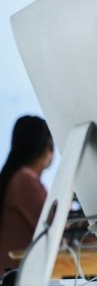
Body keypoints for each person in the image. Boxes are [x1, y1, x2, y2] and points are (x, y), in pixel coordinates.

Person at [0, 115, 54, 274]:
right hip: (16, 278)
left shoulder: (11, 177)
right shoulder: (26, 180)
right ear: (47, 147)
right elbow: (53, 231)